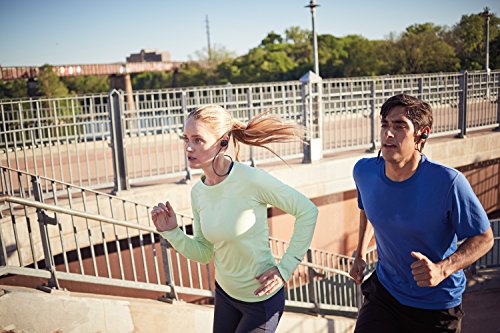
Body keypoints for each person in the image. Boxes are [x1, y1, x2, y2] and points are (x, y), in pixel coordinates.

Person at [151, 104, 318, 333]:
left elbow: (307, 211)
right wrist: (172, 232)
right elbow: (204, 252)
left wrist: (285, 268)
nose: (189, 147)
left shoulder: (250, 180)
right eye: (186, 138)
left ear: (223, 141)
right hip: (226, 296)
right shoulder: (198, 193)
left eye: (198, 140)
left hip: (262, 302)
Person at [349, 94, 494, 333]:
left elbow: (484, 238)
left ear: (422, 134)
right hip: (385, 293)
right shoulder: (364, 172)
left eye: (400, 126)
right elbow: (366, 207)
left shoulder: (448, 182)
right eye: (385, 124)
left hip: (436, 306)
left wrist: (442, 269)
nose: (388, 133)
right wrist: (360, 253)